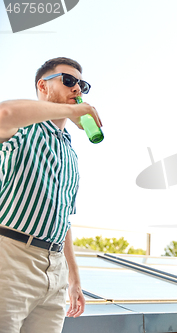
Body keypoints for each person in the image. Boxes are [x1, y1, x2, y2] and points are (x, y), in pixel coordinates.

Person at [0, 57, 102, 333]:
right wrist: (70, 113)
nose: (77, 89)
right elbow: (3, 114)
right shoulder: (22, 128)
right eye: (68, 81)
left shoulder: (70, 152)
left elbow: (63, 216)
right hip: (10, 259)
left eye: (82, 85)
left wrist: (73, 277)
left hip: (54, 271)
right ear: (42, 86)